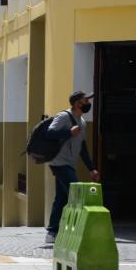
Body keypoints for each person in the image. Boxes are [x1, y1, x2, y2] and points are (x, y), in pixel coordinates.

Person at [44, 91, 100, 243]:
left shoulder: (82, 121)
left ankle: (52, 233)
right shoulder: (63, 116)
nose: (88, 103)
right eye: (85, 100)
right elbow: (49, 133)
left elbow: (82, 147)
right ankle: (79, 232)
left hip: (69, 163)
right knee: (76, 195)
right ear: (77, 103)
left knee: (61, 198)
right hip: (59, 163)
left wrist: (91, 168)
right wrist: (68, 132)